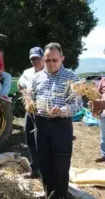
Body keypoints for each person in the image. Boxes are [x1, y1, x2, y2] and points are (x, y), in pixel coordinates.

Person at [29, 43, 82, 199]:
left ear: (62, 58)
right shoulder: (37, 77)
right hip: (41, 125)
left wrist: (63, 110)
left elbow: (78, 104)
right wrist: (30, 105)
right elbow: (31, 98)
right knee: (45, 164)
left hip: (61, 127)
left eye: (54, 60)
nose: (51, 64)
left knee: (61, 166)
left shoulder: (72, 77)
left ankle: (60, 195)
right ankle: (49, 194)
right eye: (47, 60)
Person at [18, 46, 44, 179]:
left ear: (43, 58)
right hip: (30, 111)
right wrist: (24, 93)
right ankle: (35, 170)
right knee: (30, 141)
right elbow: (20, 84)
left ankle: (46, 172)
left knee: (42, 142)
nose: (35, 61)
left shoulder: (48, 72)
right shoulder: (27, 72)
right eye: (32, 59)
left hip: (44, 113)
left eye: (37, 58)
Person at [88, 78, 105, 163]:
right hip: (104, 113)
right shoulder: (103, 80)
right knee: (104, 135)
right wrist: (93, 106)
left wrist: (103, 103)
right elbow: (97, 96)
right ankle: (104, 154)